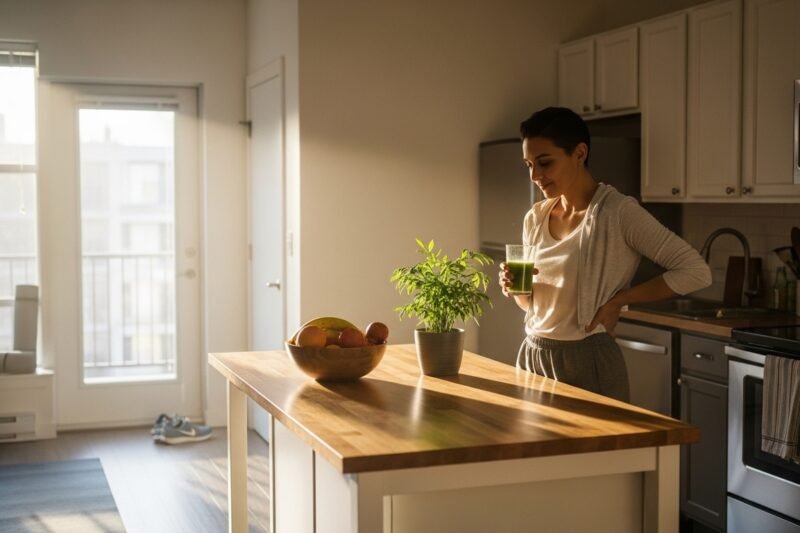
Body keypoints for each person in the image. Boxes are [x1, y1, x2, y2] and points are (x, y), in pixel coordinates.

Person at [498, 107, 711, 402]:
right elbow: (530, 306)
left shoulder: (618, 212)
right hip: (533, 354)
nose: (535, 175)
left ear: (579, 153)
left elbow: (695, 271)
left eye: (545, 162)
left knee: (594, 450)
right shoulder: (535, 217)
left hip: (588, 361)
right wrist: (515, 289)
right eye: (529, 164)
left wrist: (620, 301)